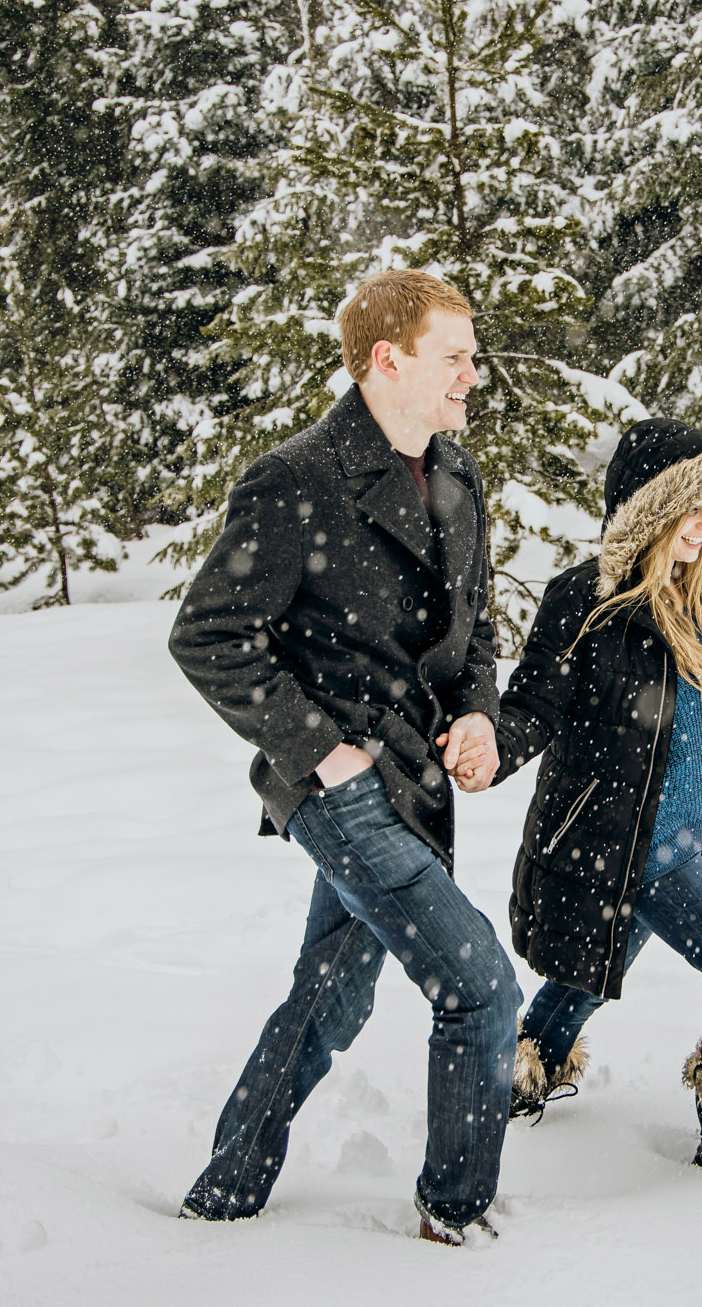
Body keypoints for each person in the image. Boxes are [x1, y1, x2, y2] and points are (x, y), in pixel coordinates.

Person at [167, 269, 519, 1245]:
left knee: (330, 994)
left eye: (472, 357)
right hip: (342, 785)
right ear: (386, 359)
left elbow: (473, 628)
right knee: (480, 986)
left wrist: (478, 714)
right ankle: (455, 1218)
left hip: (415, 783)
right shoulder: (296, 480)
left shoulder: (457, 473)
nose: (472, 377)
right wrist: (321, 752)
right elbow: (208, 635)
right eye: (455, 357)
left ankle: (225, 1190)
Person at [477, 417, 702, 1185]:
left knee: (587, 975)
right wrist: (485, 744)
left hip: (683, 837)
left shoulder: (700, 592)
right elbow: (536, 706)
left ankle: (517, 1078)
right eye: (691, 505)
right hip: (627, 842)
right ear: (649, 507)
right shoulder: (586, 598)